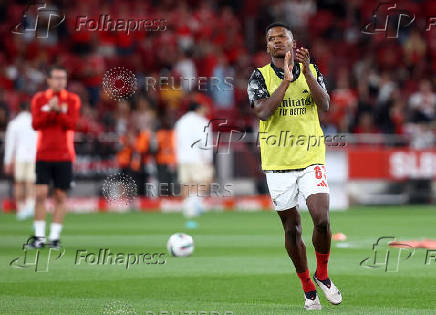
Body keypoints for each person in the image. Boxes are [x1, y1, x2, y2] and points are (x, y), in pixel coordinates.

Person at [247, 22, 341, 310]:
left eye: (282, 37)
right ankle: (308, 287)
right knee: (292, 231)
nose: (277, 41)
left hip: (311, 157)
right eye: (271, 38)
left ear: (292, 42)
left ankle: (322, 274)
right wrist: (286, 80)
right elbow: (262, 112)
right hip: (277, 164)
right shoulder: (258, 77)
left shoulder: (311, 70)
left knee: (321, 218)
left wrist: (307, 72)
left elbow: (324, 104)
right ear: (267, 46)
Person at [28, 65, 81, 249]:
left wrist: (58, 111)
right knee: (41, 194)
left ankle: (55, 237)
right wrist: (50, 111)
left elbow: (72, 124)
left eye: (63, 78)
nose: (60, 82)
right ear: (49, 80)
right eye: (57, 78)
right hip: (43, 153)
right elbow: (35, 124)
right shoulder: (39, 99)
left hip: (64, 154)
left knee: (60, 195)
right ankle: (39, 237)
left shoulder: (72, 99)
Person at [174, 102, 213, 218]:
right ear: (199, 108)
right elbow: (204, 141)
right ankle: (193, 205)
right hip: (198, 157)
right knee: (204, 181)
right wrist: (208, 157)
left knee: (187, 183)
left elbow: (177, 141)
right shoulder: (202, 122)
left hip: (183, 157)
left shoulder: (180, 122)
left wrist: (177, 157)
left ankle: (188, 206)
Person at [4, 101, 37, 220]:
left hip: (20, 156)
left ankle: (21, 208)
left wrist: (7, 161)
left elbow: (10, 144)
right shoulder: (34, 122)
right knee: (30, 183)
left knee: (19, 184)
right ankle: (30, 206)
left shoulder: (14, 124)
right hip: (33, 156)